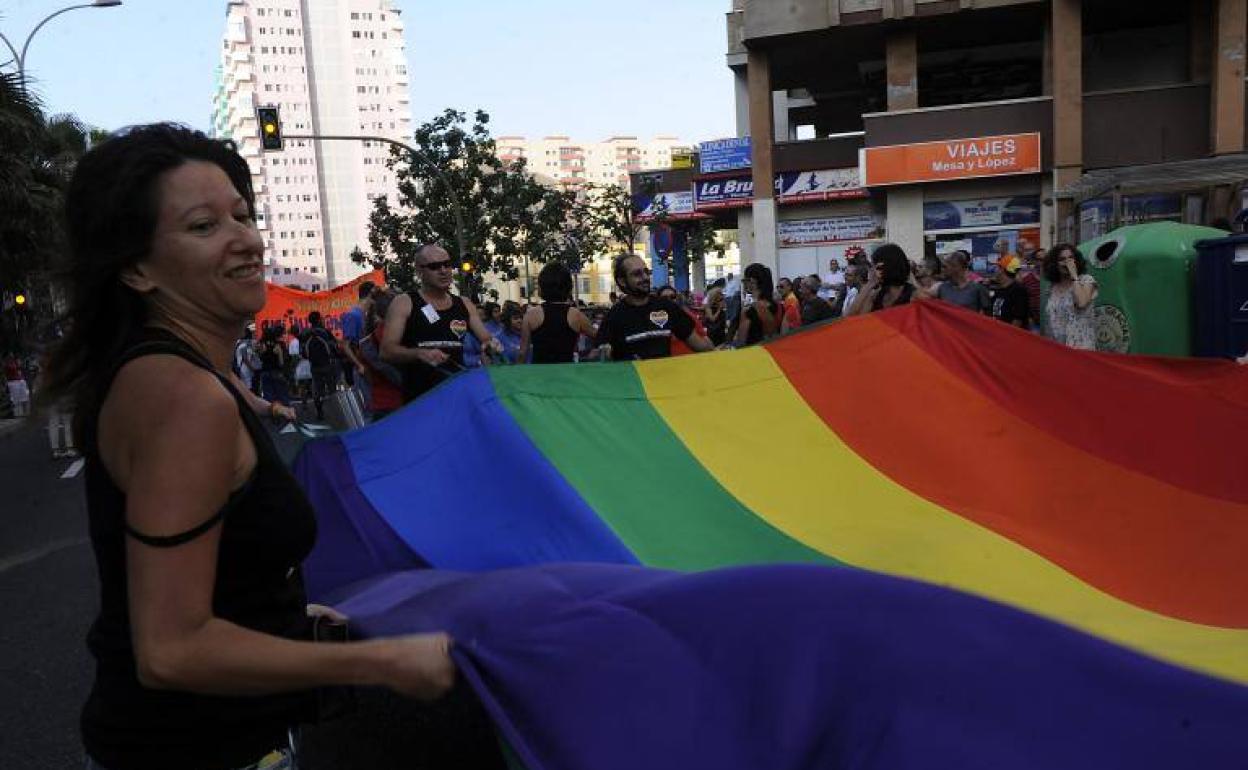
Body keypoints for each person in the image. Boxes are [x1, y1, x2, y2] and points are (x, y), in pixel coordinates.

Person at [37, 124, 453, 770]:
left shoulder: (168, 375)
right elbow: (171, 649)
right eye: (204, 226)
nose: (246, 239)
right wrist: (383, 661)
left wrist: (283, 615)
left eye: (243, 214)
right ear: (136, 267)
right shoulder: (183, 396)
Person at [381, 244, 501, 402]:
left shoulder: (464, 304)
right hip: (420, 400)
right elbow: (386, 351)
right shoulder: (404, 302)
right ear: (419, 271)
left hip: (456, 397)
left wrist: (492, 345)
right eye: (434, 266)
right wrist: (419, 353)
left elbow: (486, 339)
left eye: (447, 264)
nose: (443, 270)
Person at [596, 255, 713, 360]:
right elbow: (600, 356)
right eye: (637, 274)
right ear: (622, 281)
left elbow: (700, 345)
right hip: (633, 382)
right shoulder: (614, 316)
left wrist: (724, 356)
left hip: (664, 381)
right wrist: (605, 353)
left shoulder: (667, 307)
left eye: (646, 272)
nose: (645, 277)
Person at [518, 262, 595, 364]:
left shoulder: (531, 315)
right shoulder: (576, 315)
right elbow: (599, 336)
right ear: (568, 287)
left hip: (539, 375)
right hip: (567, 374)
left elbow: (523, 352)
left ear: (542, 287)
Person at [1044, 243, 1098, 350]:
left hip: (1081, 348)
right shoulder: (1052, 288)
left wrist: (1074, 276)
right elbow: (1050, 320)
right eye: (1062, 259)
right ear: (1055, 263)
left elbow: (1082, 302)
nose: (1067, 262)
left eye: (1070, 258)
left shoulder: (1086, 280)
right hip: (1058, 349)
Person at [847, 244, 916, 315]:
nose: (872, 271)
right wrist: (869, 284)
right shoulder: (876, 295)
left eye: (878, 267)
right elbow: (852, 318)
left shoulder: (913, 295)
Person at [338, 280, 376, 406]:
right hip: (362, 369)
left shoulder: (369, 314)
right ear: (371, 294)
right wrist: (359, 364)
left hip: (372, 367)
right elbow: (345, 345)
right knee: (368, 408)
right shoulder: (353, 315)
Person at [302, 311, 341, 420]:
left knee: (317, 389)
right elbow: (334, 346)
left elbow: (304, 354)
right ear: (319, 319)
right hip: (328, 364)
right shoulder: (324, 332)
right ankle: (336, 411)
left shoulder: (306, 334)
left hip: (314, 366)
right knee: (332, 388)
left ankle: (319, 412)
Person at [732, 263, 782, 346]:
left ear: (752, 281)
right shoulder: (777, 305)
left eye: (745, 280)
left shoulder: (748, 310)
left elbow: (741, 341)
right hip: (771, 351)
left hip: (753, 353)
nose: (744, 284)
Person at [989, 255, 1031, 328]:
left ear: (1002, 269)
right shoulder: (999, 289)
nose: (995, 270)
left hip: (1010, 337)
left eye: (997, 267)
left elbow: (1018, 320)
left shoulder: (1018, 290)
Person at [256, 323, 291, 407]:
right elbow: (281, 362)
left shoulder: (262, 345)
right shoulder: (277, 346)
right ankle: (286, 415)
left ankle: (272, 415)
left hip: (265, 372)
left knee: (268, 397)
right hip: (276, 372)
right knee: (282, 395)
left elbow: (259, 357)